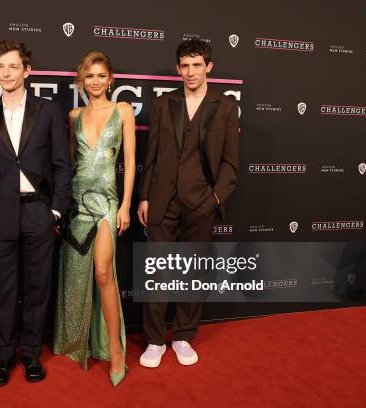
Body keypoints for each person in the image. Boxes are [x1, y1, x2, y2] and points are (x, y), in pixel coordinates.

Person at [0, 40, 71, 387]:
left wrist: (56, 212)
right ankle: (3, 357)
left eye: (13, 66)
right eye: (0, 67)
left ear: (27, 71)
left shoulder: (48, 112)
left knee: (38, 288)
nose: (6, 73)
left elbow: (62, 166)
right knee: (2, 291)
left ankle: (30, 354)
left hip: (38, 215)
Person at [137, 38, 239, 368]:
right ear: (177, 68)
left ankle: (182, 336)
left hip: (201, 203)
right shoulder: (164, 104)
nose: (191, 71)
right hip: (162, 201)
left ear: (209, 67)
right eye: (185, 65)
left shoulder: (224, 107)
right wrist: (144, 196)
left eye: (197, 65)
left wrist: (214, 199)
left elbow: (230, 162)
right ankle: (154, 340)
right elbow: (149, 156)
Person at [53, 50, 136, 387]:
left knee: (103, 272)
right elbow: (71, 164)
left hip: (106, 203)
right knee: (74, 277)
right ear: (81, 81)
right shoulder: (73, 116)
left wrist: (126, 204)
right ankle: (76, 343)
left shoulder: (123, 110)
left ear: (111, 79)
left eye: (102, 75)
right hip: (77, 204)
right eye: (90, 76)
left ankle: (115, 350)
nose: (96, 81)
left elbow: (130, 162)